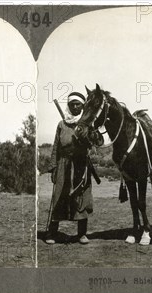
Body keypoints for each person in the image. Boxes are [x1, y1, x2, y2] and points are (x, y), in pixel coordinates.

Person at [46, 92, 93, 245]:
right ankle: (52, 233)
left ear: (82, 106)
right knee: (59, 196)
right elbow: (56, 147)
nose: (74, 106)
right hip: (63, 164)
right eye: (72, 104)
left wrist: (85, 138)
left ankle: (82, 234)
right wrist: (53, 166)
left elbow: (93, 144)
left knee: (81, 197)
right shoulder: (62, 124)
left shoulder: (87, 124)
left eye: (77, 104)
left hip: (81, 165)